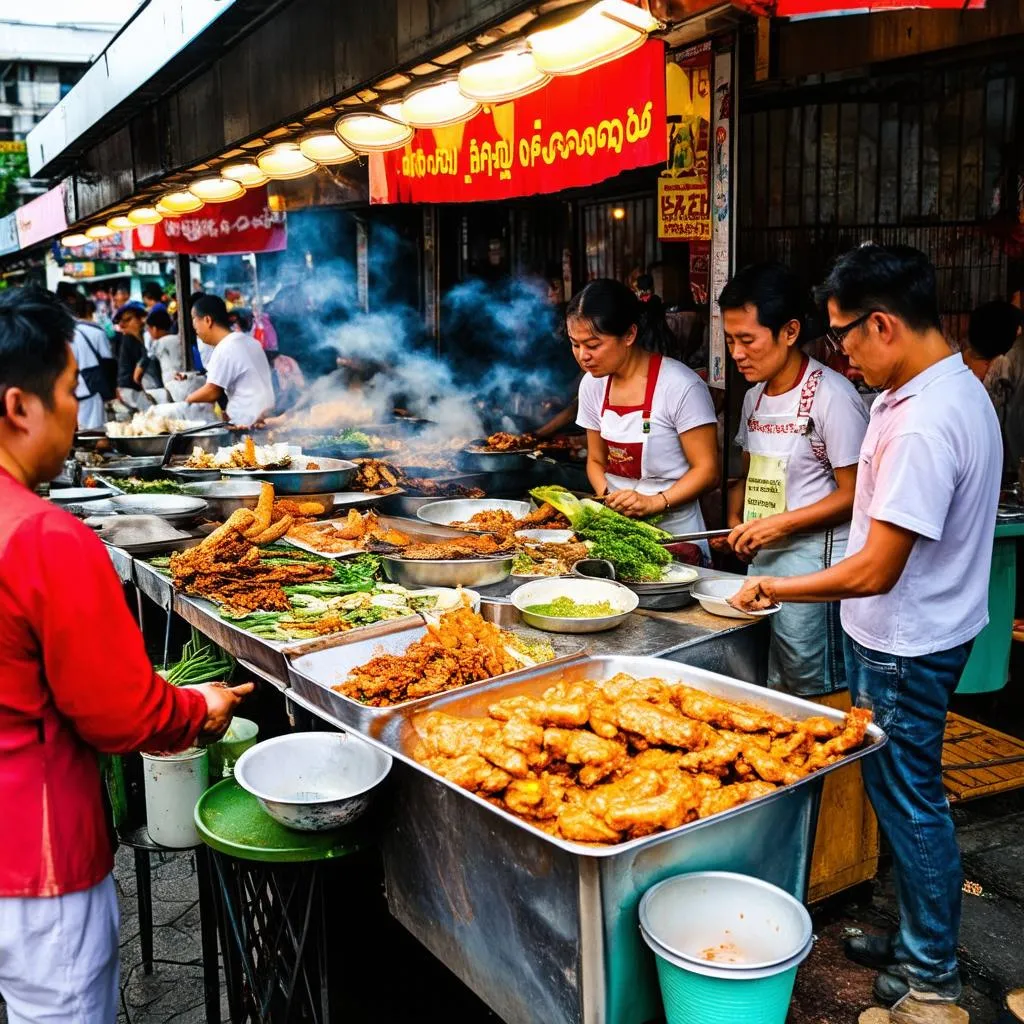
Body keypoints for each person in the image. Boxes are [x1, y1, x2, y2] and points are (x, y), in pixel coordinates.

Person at [732, 245, 1002, 1012]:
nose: (840, 351)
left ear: (883, 323)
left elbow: (875, 568)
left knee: (912, 801)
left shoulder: (925, 421)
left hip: (906, 642)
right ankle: (921, 935)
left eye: (844, 333)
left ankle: (930, 973)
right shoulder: (934, 389)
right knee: (902, 794)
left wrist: (776, 585)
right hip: (919, 630)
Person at [0, 286, 252, 1022]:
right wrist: (198, 708)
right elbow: (119, 714)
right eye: (70, 391)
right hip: (36, 856)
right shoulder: (46, 540)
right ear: (19, 407)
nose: (81, 410)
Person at [719, 263, 869, 695]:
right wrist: (735, 519)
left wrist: (779, 524)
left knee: (813, 683)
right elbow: (750, 476)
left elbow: (856, 494)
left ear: (788, 331)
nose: (737, 353)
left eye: (747, 340)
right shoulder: (753, 398)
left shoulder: (832, 397)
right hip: (763, 559)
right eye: (731, 341)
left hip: (816, 564)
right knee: (773, 680)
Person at [571, 278, 720, 539]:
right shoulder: (592, 386)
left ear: (629, 334)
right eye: (575, 344)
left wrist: (654, 502)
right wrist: (609, 498)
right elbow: (596, 460)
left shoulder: (680, 385)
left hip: (676, 532)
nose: (583, 355)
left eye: (593, 345)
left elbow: (707, 471)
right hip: (619, 529)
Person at [186, 294, 275, 427]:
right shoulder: (250, 341)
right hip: (265, 418)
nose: (196, 330)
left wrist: (187, 400)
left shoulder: (225, 347)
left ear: (207, 320)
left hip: (247, 425)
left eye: (195, 320)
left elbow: (212, 391)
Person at [113, 301, 148, 405]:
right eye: (122, 321)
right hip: (131, 389)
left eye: (128, 320)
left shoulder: (145, 336)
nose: (122, 324)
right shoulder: (127, 339)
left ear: (140, 319)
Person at [139, 306, 184, 387]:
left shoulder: (160, 343)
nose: (149, 333)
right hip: (182, 378)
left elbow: (148, 357)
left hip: (172, 382)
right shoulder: (178, 338)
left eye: (149, 329)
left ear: (155, 329)